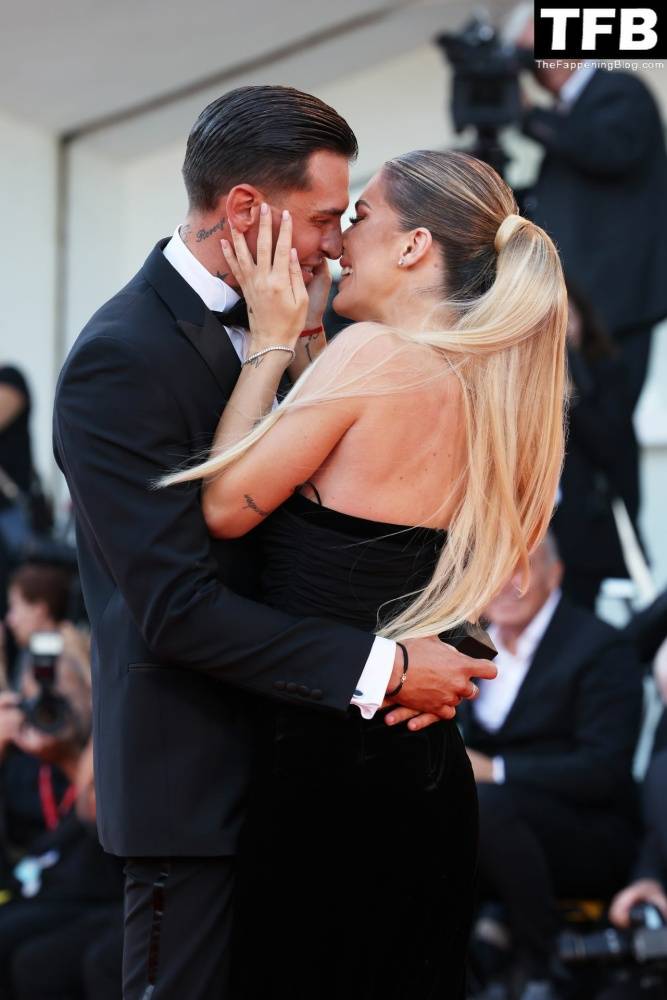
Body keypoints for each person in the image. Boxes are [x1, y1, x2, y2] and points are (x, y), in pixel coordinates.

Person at [53, 86, 501, 1000]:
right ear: (247, 210)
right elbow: (177, 609)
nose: (336, 244)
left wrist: (432, 631)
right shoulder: (120, 357)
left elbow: (330, 548)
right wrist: (383, 667)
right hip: (199, 801)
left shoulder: (326, 336)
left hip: (312, 789)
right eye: (324, 219)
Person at [165, 139, 567, 994]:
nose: (338, 240)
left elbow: (224, 504)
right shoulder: (495, 391)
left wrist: (272, 341)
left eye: (360, 217)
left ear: (414, 246)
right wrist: (313, 338)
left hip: (328, 777)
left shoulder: (376, 358)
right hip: (424, 777)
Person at [457, 536, 642, 1000]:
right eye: (494, 568)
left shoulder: (601, 646)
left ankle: (542, 960)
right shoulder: (464, 645)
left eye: (520, 568)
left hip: (587, 832)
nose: (504, 584)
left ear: (555, 574)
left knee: (484, 803)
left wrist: (496, 770)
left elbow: (604, 770)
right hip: (491, 829)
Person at [515, 20, 667, 407]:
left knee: (609, 429)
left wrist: (530, 117)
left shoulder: (618, 90)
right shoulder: (569, 114)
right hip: (583, 305)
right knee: (578, 435)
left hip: (616, 304)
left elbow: (609, 150)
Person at [551, 281, 640, 609]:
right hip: (539, 532)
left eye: (567, 317)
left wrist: (571, 394)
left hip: (585, 531)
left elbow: (612, 448)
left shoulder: (606, 372)